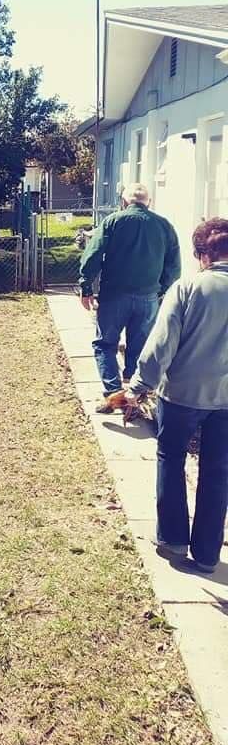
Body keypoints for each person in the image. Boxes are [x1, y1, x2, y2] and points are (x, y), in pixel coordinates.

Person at [125, 218, 228, 574]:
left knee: (171, 458)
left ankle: (173, 539)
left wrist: (139, 387)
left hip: (182, 395)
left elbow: (161, 345)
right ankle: (207, 554)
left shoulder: (187, 288)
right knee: (218, 472)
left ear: (202, 255)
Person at [78, 183, 181, 412]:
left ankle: (113, 393)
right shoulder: (164, 225)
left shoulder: (113, 221)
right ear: (149, 202)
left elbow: (93, 255)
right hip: (148, 298)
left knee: (105, 344)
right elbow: (174, 267)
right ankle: (133, 395)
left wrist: (86, 287)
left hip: (114, 295)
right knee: (140, 346)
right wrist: (160, 291)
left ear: (123, 202)